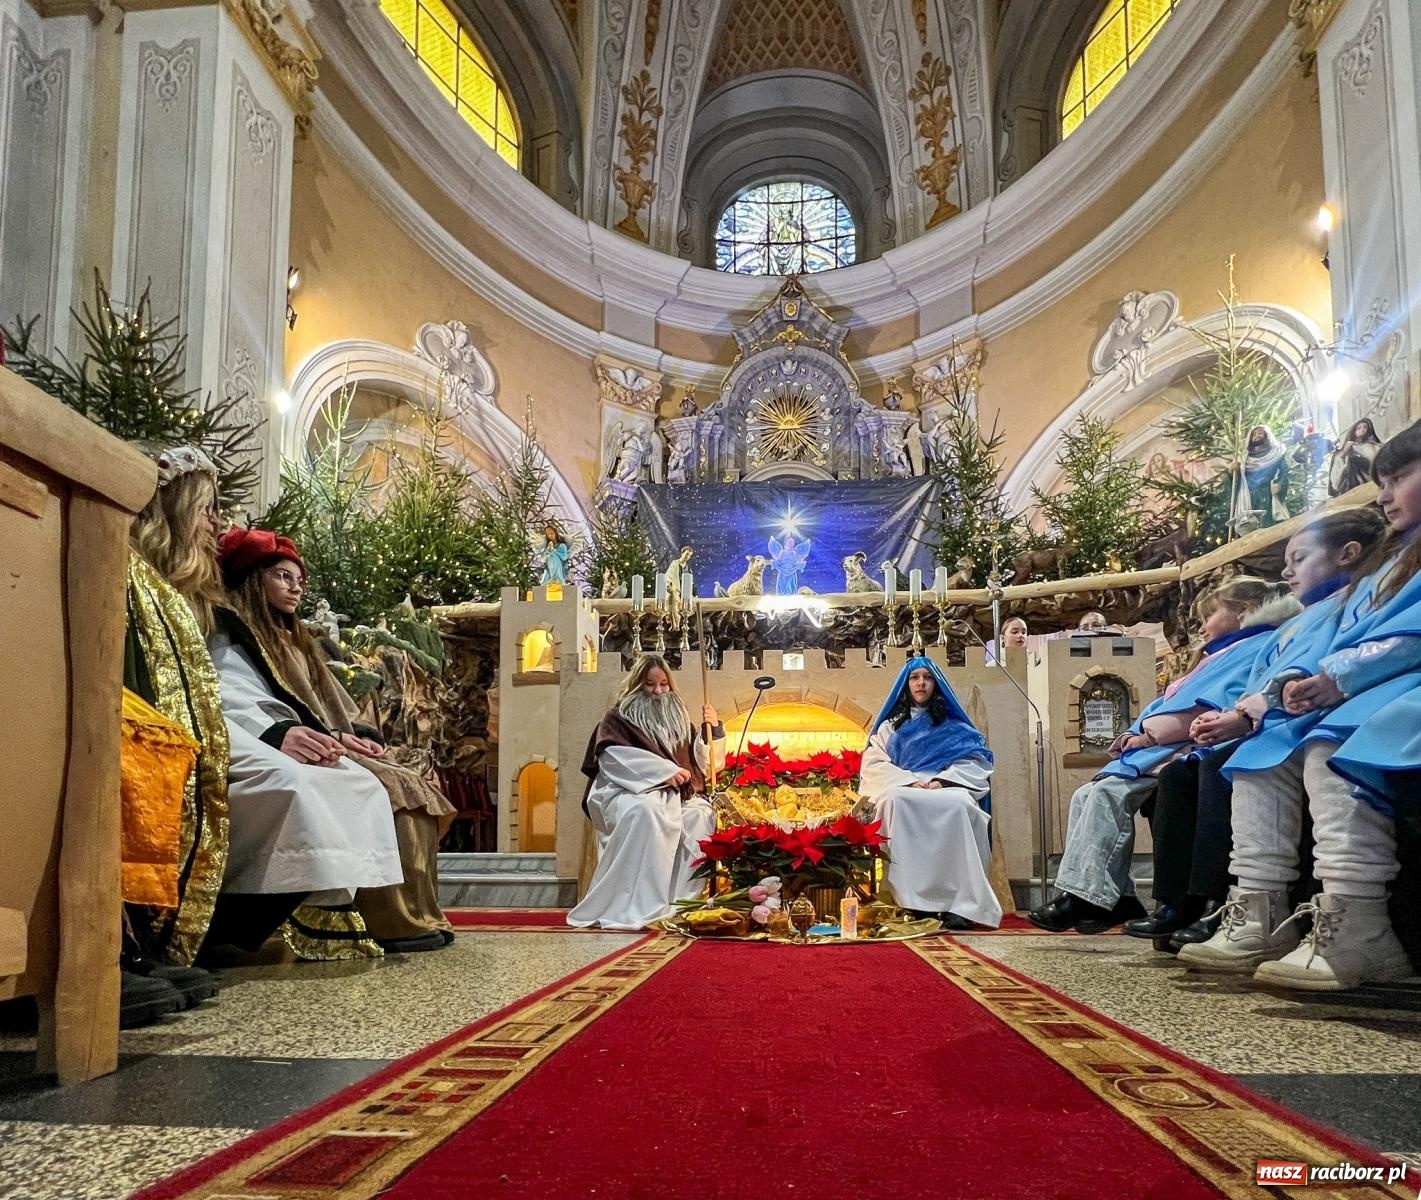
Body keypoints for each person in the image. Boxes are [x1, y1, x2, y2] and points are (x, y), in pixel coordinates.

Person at [1182, 422, 1421, 988]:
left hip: (1394, 683)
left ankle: (1357, 918)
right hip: (1362, 686)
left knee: (1329, 743)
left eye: (1399, 478)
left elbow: (1404, 634)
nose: (1383, 495)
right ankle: (1260, 912)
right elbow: (1335, 638)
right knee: (1261, 756)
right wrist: (1300, 679)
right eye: (1380, 482)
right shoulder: (1390, 563)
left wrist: (1336, 675)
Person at [1129, 510, 1385, 943]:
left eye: (1299, 558)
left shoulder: (1355, 601)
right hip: (1271, 722)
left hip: (1314, 717)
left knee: (1232, 765)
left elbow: (1317, 666)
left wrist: (1246, 713)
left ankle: (1228, 903)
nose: (1286, 571)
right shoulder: (1303, 618)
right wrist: (1240, 713)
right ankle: (1208, 905)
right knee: (1190, 772)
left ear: (1348, 554)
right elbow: (1262, 679)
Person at [218, 527, 454, 952]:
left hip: (324, 737)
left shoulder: (301, 639)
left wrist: (355, 734)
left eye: (299, 579)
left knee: (413, 782)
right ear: (254, 578)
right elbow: (236, 695)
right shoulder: (236, 635)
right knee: (388, 790)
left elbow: (331, 700)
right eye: (281, 576)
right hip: (286, 743)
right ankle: (390, 921)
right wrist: (307, 735)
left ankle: (420, 914)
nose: (295, 587)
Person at [1027, 578, 1290, 933]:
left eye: (1209, 615)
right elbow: (1164, 701)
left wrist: (1149, 733)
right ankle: (1117, 897)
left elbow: (1220, 699)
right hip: (1161, 746)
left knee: (1106, 794)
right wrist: (1135, 730)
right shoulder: (1217, 654)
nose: (1201, 626)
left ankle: (1085, 896)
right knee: (1085, 793)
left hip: (1189, 746)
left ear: (1243, 612)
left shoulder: (1254, 647)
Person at [121, 445, 231, 1022]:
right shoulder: (127, 569)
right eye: (207, 509)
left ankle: (139, 945)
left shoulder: (168, 590)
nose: (217, 522)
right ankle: (119, 948)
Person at [568, 655, 724, 930]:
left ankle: (680, 904)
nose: (658, 691)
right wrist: (663, 772)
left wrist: (713, 729)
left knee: (701, 815)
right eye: (650, 684)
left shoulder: (679, 719)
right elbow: (614, 758)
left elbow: (704, 764)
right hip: (627, 790)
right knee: (647, 812)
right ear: (638, 684)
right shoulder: (618, 718)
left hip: (676, 796)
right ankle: (638, 905)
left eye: (664, 684)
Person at [858, 656, 1000, 929]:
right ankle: (909, 900)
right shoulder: (890, 729)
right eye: (914, 677)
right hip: (903, 785)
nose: (921, 683)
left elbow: (975, 761)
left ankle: (960, 903)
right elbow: (873, 764)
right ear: (906, 685)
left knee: (960, 805)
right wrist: (908, 782)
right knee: (895, 800)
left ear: (937, 684)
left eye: (927, 677)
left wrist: (942, 781)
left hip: (944, 784)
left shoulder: (955, 728)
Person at [1328, 417, 1381, 496]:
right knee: (1352, 461)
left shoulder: (1371, 446)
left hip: (1369, 478)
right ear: (1354, 431)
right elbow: (1341, 460)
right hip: (1352, 481)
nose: (1362, 430)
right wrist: (1344, 453)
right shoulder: (1349, 446)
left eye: (1365, 427)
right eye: (1359, 428)